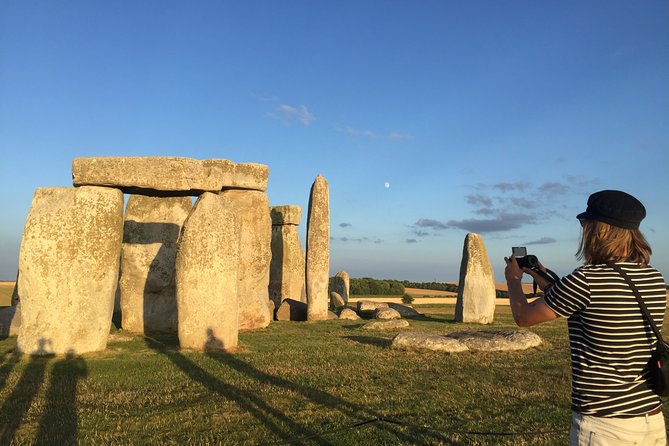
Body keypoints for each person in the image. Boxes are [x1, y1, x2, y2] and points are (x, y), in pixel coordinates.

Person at [504, 190, 667, 445]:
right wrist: (541, 275)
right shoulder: (654, 278)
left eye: (585, 224)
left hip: (605, 424)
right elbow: (592, 302)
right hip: (650, 417)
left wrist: (514, 280)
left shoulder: (585, 280)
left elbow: (523, 317)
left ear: (599, 231)